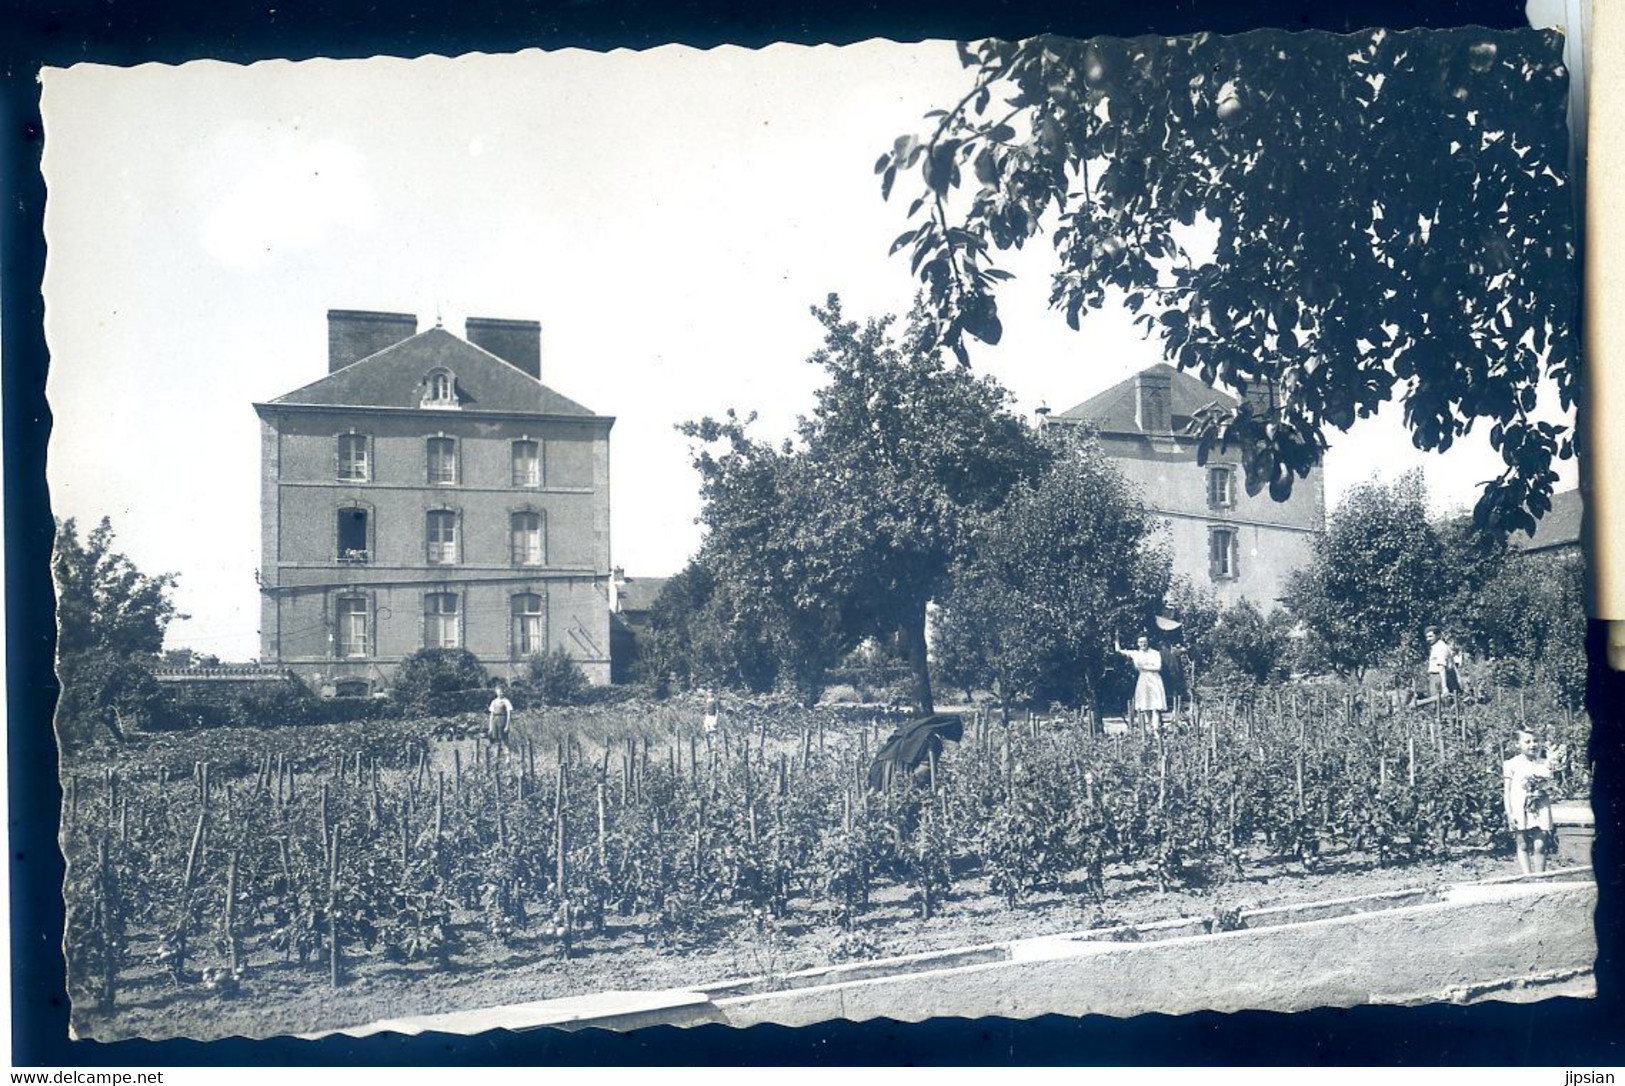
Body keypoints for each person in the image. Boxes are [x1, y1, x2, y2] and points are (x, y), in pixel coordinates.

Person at [1502, 728, 1555, 875]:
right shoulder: (1511, 764)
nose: (1533, 744)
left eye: (1536, 741)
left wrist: (1546, 786)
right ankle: (1528, 877)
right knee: (1523, 843)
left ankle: (1540, 877)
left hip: (1541, 806)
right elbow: (1507, 791)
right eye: (1527, 741)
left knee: (1540, 844)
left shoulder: (1544, 764)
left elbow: (1551, 787)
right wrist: (1509, 812)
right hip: (1519, 807)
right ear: (1517, 744)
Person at [1114, 633, 1167, 732]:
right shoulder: (1136, 653)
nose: (1143, 644)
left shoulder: (1155, 653)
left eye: (1145, 642)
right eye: (1141, 642)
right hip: (1143, 679)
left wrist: (1143, 667)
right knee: (1145, 705)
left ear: (1148, 642)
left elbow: (1158, 667)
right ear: (1138, 643)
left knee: (1155, 706)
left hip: (1154, 679)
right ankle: (1150, 727)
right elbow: (1118, 651)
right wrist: (1116, 638)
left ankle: (1156, 728)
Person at [1424, 625, 1461, 702]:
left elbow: (1442, 667)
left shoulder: (1440, 647)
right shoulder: (1436, 647)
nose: (1428, 639)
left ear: (1438, 636)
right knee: (1437, 702)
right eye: (1427, 637)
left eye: (1431, 636)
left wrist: (1444, 686)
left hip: (1439, 677)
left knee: (1438, 702)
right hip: (1436, 677)